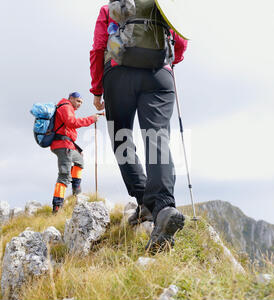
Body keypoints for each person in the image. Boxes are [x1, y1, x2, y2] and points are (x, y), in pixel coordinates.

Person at [89, 2, 188, 252]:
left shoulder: (111, 7)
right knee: (157, 138)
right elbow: (181, 43)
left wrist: (97, 90)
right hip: (159, 74)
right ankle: (164, 207)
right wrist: (169, 61)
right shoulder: (160, 6)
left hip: (118, 73)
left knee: (122, 137)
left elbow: (99, 47)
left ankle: (144, 202)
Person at [51, 92, 100, 214]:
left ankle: (76, 192)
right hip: (63, 146)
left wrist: (77, 149)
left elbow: (66, 132)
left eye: (81, 102)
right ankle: (57, 206)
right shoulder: (65, 107)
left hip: (66, 145)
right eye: (78, 101)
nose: (79, 104)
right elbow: (71, 123)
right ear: (71, 99)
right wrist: (91, 119)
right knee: (64, 175)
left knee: (79, 161)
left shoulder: (66, 107)